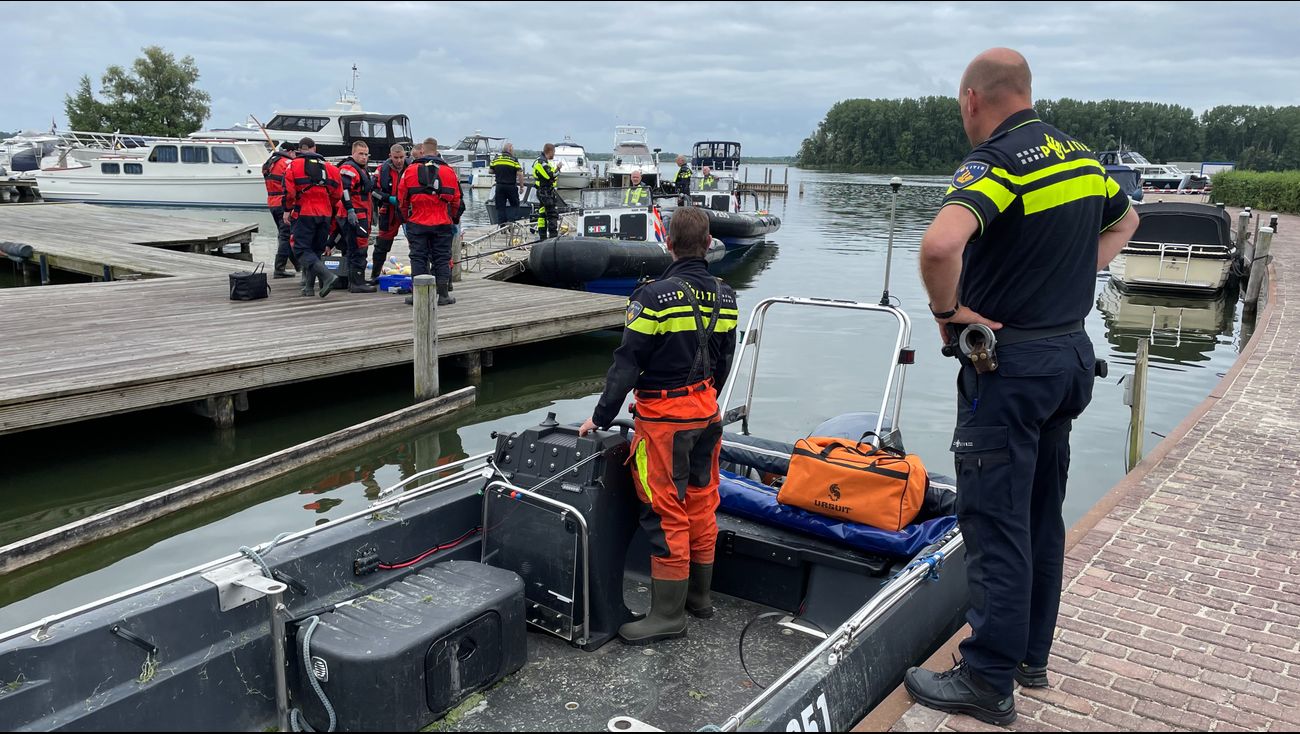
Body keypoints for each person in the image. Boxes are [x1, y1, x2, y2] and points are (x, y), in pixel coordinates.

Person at [904, 48, 1139, 726]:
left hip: (1009, 370)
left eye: (961, 106)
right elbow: (1128, 221)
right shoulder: (1081, 157)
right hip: (1068, 360)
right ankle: (1031, 656)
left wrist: (950, 315)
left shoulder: (999, 162)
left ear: (975, 99)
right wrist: (1074, 274)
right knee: (1040, 515)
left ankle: (986, 678)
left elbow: (940, 247)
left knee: (995, 522)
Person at [578, 206, 739, 645]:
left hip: (665, 422)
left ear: (667, 243)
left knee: (665, 509)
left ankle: (668, 615)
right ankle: (698, 599)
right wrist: (706, 398)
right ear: (708, 245)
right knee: (703, 503)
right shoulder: (726, 296)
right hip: (708, 414)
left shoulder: (652, 297)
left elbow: (626, 364)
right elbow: (723, 358)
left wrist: (600, 416)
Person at [398, 137, 462, 306]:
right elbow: (456, 200)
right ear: (437, 150)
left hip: (417, 220)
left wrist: (405, 217)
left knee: (418, 257)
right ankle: (443, 295)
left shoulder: (410, 171)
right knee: (442, 258)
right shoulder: (449, 172)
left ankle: (419, 295)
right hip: (442, 221)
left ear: (422, 151)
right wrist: (453, 218)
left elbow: (402, 198)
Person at [284, 137, 343, 297]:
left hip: (304, 211)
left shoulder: (293, 166)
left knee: (301, 250)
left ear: (299, 149)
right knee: (316, 250)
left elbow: (289, 192)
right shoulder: (331, 169)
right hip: (325, 213)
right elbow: (337, 194)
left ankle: (327, 276)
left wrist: (287, 209)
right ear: (314, 148)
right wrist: (327, 206)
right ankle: (309, 288)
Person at [336, 140, 377, 293]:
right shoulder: (349, 168)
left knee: (352, 248)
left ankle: (354, 279)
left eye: (366, 154)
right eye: (361, 154)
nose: (364, 157)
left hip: (360, 213)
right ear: (353, 153)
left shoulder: (360, 169)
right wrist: (350, 210)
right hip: (354, 214)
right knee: (358, 248)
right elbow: (344, 189)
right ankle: (356, 283)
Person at [370, 143, 408, 285]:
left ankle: (421, 276)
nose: (399, 161)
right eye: (396, 157)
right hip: (389, 209)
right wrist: (388, 198)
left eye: (401, 157)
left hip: (406, 210)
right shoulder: (381, 170)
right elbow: (373, 191)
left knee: (417, 243)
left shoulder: (411, 169)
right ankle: (375, 275)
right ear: (390, 156)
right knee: (382, 245)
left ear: (405, 156)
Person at [262, 141, 298, 278]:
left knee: (284, 235)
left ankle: (298, 265)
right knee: (286, 236)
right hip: (283, 203)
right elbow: (291, 184)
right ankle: (280, 268)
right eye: (294, 153)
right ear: (290, 152)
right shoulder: (287, 163)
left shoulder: (268, 164)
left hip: (272, 202)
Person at [533, 143, 563, 240]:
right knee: (552, 214)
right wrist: (558, 169)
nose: (554, 154)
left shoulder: (541, 161)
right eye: (554, 152)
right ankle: (553, 237)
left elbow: (549, 175)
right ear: (550, 151)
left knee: (542, 214)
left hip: (543, 190)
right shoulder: (542, 162)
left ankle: (542, 237)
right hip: (545, 192)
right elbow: (551, 175)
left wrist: (554, 172)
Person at [490, 142, 524, 220]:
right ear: (510, 149)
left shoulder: (496, 159)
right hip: (511, 186)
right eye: (513, 150)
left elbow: (490, 171)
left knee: (500, 207)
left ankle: (502, 226)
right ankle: (511, 224)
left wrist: (500, 171)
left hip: (499, 186)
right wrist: (521, 186)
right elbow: (520, 174)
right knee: (514, 205)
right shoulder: (514, 160)